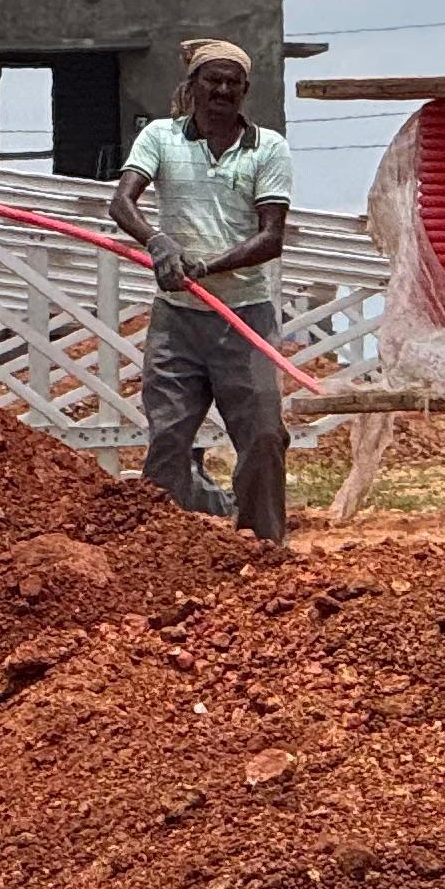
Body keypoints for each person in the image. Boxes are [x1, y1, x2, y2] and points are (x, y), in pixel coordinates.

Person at [110, 39, 295, 545]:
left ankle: (264, 547)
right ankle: (160, 549)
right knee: (168, 437)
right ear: (191, 87)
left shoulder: (268, 148)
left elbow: (271, 236)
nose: (222, 90)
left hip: (244, 317)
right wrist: (157, 240)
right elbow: (121, 201)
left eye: (232, 82)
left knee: (261, 436)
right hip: (177, 320)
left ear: (245, 91)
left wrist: (207, 266)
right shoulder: (160, 137)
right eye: (212, 80)